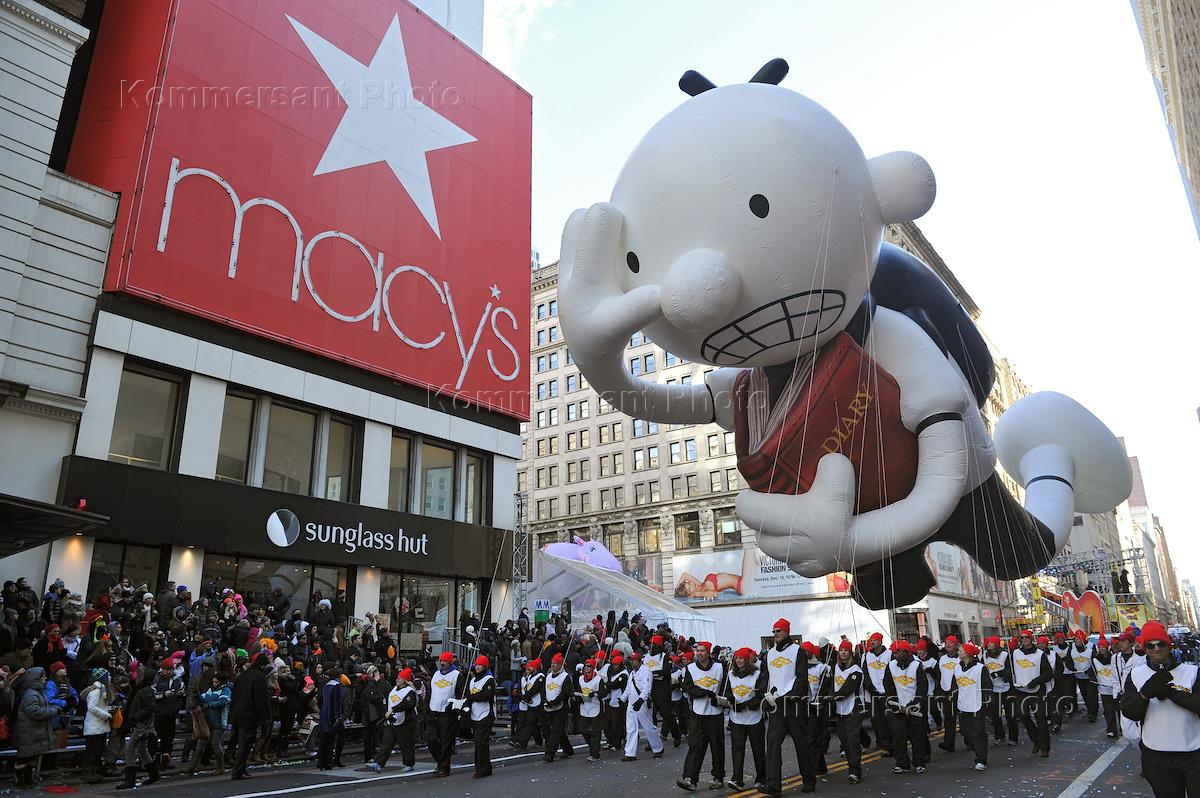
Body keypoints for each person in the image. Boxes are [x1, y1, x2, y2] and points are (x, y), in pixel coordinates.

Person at [1120, 621, 1200, 797]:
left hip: (1194, 752)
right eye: (1151, 645)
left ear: (1168, 645)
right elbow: (1129, 712)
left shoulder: (1192, 672)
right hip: (1157, 754)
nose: (1156, 649)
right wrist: (1144, 695)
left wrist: (1174, 694)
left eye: (1161, 643)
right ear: (1145, 648)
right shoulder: (1136, 674)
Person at [762, 618, 814, 795]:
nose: (775, 634)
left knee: (801, 743)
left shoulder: (797, 651)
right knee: (772, 743)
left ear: (786, 632)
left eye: (778, 631)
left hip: (794, 704)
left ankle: (809, 779)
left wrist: (790, 696)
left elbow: (802, 678)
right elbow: (767, 678)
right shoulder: (770, 653)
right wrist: (765, 697)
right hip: (776, 705)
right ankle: (773, 785)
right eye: (774, 631)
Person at [678, 641, 726, 791]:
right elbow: (687, 687)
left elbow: (725, 686)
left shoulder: (720, 667)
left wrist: (720, 699)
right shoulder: (690, 668)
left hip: (715, 713)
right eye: (697, 650)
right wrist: (704, 692)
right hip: (697, 713)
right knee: (695, 746)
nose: (699, 653)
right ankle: (690, 778)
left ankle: (718, 777)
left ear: (708, 652)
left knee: (717, 747)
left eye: (702, 651)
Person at [883, 640, 929, 775]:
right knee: (898, 736)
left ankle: (919, 763)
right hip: (898, 707)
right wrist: (893, 701)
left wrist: (916, 702)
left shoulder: (917, 665)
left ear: (908, 653)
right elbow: (888, 684)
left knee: (917, 736)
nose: (900, 654)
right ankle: (902, 763)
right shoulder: (891, 665)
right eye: (898, 652)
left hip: (915, 707)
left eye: (903, 651)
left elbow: (922, 686)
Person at [725, 646, 767, 790]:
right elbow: (727, 692)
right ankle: (737, 779)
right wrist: (731, 701)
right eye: (736, 658)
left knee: (758, 750)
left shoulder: (757, 674)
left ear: (747, 660)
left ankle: (761, 778)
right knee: (737, 749)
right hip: (736, 719)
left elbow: (761, 693)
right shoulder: (730, 675)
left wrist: (747, 704)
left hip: (754, 718)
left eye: (741, 658)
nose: (738, 661)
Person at [1009, 630, 1053, 757]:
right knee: (1022, 716)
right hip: (1020, 691)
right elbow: (1010, 670)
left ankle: (1044, 747)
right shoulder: (1015, 653)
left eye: (1026, 637)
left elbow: (1048, 673)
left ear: (1031, 638)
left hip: (1036, 691)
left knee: (1041, 719)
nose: (1024, 639)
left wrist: (1035, 681)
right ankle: (1036, 740)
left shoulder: (1040, 654)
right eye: (1022, 637)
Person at [14, 666, 59, 786]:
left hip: (34, 731)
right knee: (24, 758)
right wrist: (53, 710)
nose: (45, 678)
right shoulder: (31, 694)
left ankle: (28, 778)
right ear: (35, 679)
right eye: (43, 676)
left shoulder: (38, 692)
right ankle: (19, 780)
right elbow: (35, 712)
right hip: (28, 732)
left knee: (31, 757)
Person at [230, 652, 270, 780]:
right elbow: (261, 699)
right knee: (245, 744)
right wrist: (265, 715)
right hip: (250, 714)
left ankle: (241, 769)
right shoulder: (259, 678)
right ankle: (238, 771)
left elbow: (235, 694)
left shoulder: (243, 675)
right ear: (263, 665)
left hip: (238, 712)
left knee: (243, 742)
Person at [117, 672, 160, 789]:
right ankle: (154, 775)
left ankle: (130, 779)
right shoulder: (140, 689)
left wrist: (136, 716)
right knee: (142, 750)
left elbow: (150, 707)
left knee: (130, 750)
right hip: (142, 724)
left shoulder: (144, 690)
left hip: (142, 724)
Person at [370, 668, 418, 772]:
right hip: (392, 720)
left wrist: (393, 709)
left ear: (405, 681)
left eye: (399, 678)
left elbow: (407, 704)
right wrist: (378, 681)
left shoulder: (410, 692)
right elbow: (385, 692)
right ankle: (378, 763)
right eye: (397, 678)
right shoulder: (393, 689)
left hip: (405, 722)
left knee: (406, 744)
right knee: (386, 743)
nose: (397, 680)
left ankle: (409, 764)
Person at [831, 639, 865, 784]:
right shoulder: (835, 667)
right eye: (841, 650)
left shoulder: (856, 670)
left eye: (846, 650)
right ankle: (851, 765)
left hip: (854, 707)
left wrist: (831, 697)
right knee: (844, 740)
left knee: (852, 740)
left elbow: (848, 689)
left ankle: (855, 771)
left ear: (850, 652)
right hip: (840, 709)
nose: (843, 652)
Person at [954, 643, 992, 771]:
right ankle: (977, 752)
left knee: (978, 733)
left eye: (960, 650)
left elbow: (987, 686)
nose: (958, 652)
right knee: (965, 732)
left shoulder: (980, 668)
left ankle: (981, 760)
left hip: (977, 705)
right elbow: (955, 685)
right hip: (963, 705)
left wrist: (986, 702)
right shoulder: (957, 668)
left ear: (967, 653)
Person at [623, 652, 664, 760]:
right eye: (631, 660)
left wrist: (641, 700)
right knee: (631, 728)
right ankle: (630, 753)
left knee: (648, 726)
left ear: (639, 660)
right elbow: (628, 688)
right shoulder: (632, 673)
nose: (632, 662)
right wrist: (622, 699)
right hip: (631, 702)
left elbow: (647, 688)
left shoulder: (646, 671)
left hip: (642, 703)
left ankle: (658, 748)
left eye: (634, 660)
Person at [427, 651, 461, 777]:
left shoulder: (456, 675)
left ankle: (444, 768)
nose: (442, 663)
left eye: (445, 661)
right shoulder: (436, 674)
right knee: (430, 739)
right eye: (441, 661)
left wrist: (452, 707)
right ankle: (440, 762)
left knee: (446, 742)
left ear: (450, 662)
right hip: (434, 710)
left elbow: (460, 695)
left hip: (448, 714)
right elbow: (430, 692)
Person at [801, 642, 831, 777]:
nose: (803, 653)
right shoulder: (799, 667)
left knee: (812, 737)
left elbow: (825, 688)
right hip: (803, 706)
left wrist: (819, 701)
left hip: (816, 707)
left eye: (805, 651)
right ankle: (821, 767)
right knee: (808, 737)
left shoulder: (822, 668)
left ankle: (812, 768)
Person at [464, 655, 496, 778]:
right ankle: (485, 768)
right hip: (474, 714)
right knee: (478, 743)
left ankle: (482, 769)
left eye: (480, 665)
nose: (478, 667)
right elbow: (469, 695)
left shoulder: (489, 679)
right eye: (477, 665)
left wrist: (472, 697)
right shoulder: (472, 681)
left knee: (481, 742)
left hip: (485, 713)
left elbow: (486, 695)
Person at [81, 667, 114, 783]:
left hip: (101, 726)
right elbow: (92, 707)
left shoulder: (103, 691)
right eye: (108, 675)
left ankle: (95, 771)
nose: (110, 677)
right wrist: (106, 715)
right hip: (94, 727)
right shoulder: (96, 692)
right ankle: (87, 773)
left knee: (99, 750)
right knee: (92, 751)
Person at [861, 631, 892, 755]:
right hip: (873, 693)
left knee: (888, 720)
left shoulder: (889, 654)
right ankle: (883, 743)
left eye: (875, 640)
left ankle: (890, 744)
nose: (872, 642)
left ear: (880, 641)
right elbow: (864, 672)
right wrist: (869, 686)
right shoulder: (866, 655)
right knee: (877, 720)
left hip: (887, 692)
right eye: (871, 640)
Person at [541, 652, 573, 761]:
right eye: (552, 663)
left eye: (555, 663)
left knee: (555, 730)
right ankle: (568, 749)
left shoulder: (565, 677)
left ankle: (550, 753)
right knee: (559, 731)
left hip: (561, 707)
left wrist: (554, 702)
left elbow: (565, 693)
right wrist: (545, 701)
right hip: (549, 707)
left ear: (560, 665)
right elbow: (544, 690)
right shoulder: (548, 676)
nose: (553, 665)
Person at [982, 636, 1012, 745]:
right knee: (995, 715)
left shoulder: (1005, 655)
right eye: (988, 643)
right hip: (993, 689)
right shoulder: (984, 656)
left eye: (992, 643)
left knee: (1010, 715)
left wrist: (999, 673)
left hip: (1006, 687)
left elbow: (1010, 669)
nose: (990, 645)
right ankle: (999, 737)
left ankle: (1013, 737)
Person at [575, 658, 605, 761]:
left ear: (593, 668)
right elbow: (578, 690)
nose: (586, 668)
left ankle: (595, 753)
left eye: (589, 666)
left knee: (596, 731)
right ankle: (592, 745)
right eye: (585, 666)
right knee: (582, 728)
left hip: (596, 707)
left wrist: (595, 694)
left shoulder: (598, 679)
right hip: (584, 707)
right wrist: (579, 697)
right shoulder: (580, 678)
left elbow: (603, 693)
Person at [512, 656, 545, 750]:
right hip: (530, 704)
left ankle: (549, 742)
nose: (528, 669)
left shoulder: (540, 677)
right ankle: (522, 743)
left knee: (544, 724)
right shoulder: (528, 677)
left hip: (539, 704)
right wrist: (522, 697)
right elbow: (524, 689)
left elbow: (534, 689)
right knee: (530, 724)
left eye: (530, 667)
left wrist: (524, 697)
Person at [935, 635, 961, 752]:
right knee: (949, 719)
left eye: (951, 642)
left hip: (960, 692)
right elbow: (939, 675)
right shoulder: (942, 659)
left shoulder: (960, 657)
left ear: (956, 645)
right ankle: (949, 743)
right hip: (946, 692)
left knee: (964, 719)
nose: (948, 644)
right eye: (946, 643)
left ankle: (970, 741)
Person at [1092, 635, 1121, 738]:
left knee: (1120, 710)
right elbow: (1093, 673)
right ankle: (1111, 730)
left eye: (1103, 647)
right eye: (1100, 647)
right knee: (1108, 711)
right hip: (1104, 689)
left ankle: (1123, 727)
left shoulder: (1115, 657)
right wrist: (1094, 679)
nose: (1102, 649)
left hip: (1116, 688)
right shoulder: (1094, 660)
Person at [1069, 630, 1098, 723]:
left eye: (1079, 638)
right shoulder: (1072, 649)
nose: (1077, 640)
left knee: (1091, 695)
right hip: (1079, 676)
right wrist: (1072, 668)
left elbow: (1095, 662)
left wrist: (1089, 670)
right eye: (1076, 639)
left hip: (1089, 676)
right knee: (1084, 694)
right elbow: (1068, 661)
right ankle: (1090, 709)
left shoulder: (1090, 649)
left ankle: (1092, 713)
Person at [605, 653, 628, 752]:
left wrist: (607, 685)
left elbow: (615, 684)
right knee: (613, 722)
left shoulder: (624, 674)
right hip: (613, 701)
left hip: (620, 701)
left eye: (616, 665)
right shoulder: (613, 673)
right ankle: (614, 740)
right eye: (613, 665)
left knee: (617, 723)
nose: (614, 667)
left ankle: (617, 743)